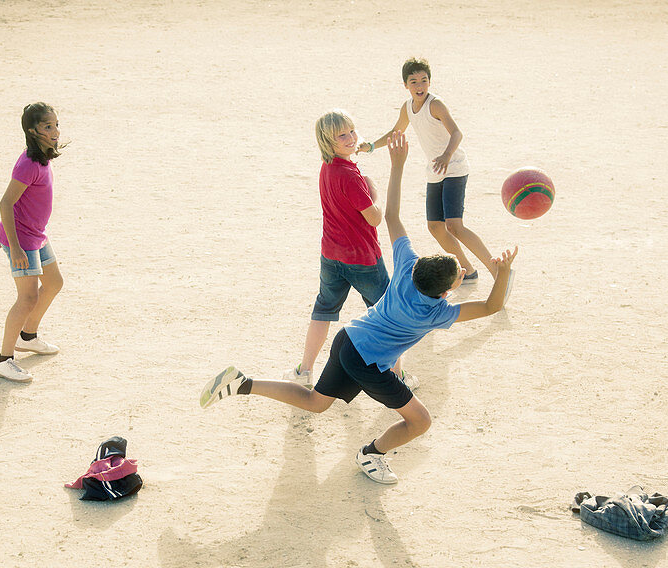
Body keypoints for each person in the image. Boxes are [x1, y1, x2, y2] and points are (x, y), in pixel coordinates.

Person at [200, 131, 516, 485]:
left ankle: (242, 383)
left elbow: (392, 215)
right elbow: (491, 306)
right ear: (446, 291)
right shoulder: (436, 314)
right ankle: (371, 454)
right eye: (459, 273)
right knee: (420, 421)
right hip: (368, 364)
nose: (461, 271)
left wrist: (397, 166)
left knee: (317, 402)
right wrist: (502, 273)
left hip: (349, 339)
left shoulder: (407, 267)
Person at [283, 109, 409, 389]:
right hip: (363, 259)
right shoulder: (352, 177)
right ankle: (398, 376)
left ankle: (304, 370)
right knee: (389, 313)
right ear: (329, 142)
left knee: (323, 310)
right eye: (342, 135)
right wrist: (373, 189)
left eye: (352, 131)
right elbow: (375, 217)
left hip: (331, 255)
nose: (351, 137)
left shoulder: (327, 168)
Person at [358, 57, 497, 282]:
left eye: (424, 80)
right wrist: (372, 146)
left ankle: (497, 270)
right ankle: (467, 271)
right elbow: (396, 131)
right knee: (435, 227)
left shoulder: (436, 104)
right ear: (405, 85)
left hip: (454, 167)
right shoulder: (407, 108)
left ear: (429, 82)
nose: (419, 85)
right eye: (413, 81)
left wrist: (447, 155)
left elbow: (457, 133)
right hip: (435, 171)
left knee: (454, 225)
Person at [0, 102, 65, 383]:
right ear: (33, 131)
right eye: (48, 126)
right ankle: (4, 360)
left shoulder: (42, 157)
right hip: (23, 240)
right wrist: (14, 244)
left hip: (35, 235)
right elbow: (6, 203)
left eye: (56, 124)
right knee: (27, 297)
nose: (55, 131)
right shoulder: (28, 164)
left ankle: (28, 337)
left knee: (55, 282)